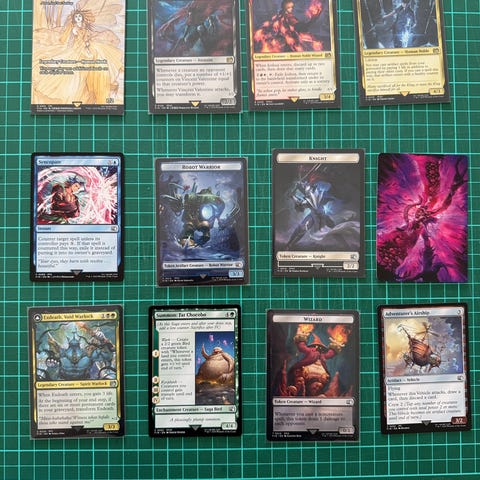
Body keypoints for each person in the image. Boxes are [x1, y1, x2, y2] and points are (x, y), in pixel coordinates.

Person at [253, 0, 323, 53]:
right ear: (285, 8)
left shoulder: (279, 15)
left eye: (292, 7)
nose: (291, 9)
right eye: (289, 7)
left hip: (284, 40)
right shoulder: (288, 17)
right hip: (287, 41)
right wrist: (312, 20)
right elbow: (300, 27)